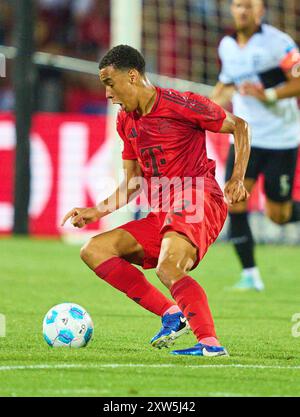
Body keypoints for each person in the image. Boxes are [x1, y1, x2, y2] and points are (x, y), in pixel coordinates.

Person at [62, 44, 251, 356]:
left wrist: (237, 177)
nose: (108, 96)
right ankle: (172, 314)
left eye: (110, 84)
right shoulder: (126, 122)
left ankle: (209, 344)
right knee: (94, 249)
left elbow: (240, 126)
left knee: (168, 267)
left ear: (133, 76)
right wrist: (94, 211)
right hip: (163, 209)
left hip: (197, 195)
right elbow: (134, 182)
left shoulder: (181, 104)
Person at [211, 0, 300, 291]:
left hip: (280, 140)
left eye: (249, 6)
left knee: (279, 216)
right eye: (238, 5)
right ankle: (250, 275)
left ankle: (283, 212)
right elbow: (226, 86)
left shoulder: (279, 43)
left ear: (261, 11)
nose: (243, 11)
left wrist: (269, 95)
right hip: (246, 138)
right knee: (234, 200)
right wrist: (202, 112)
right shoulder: (227, 46)